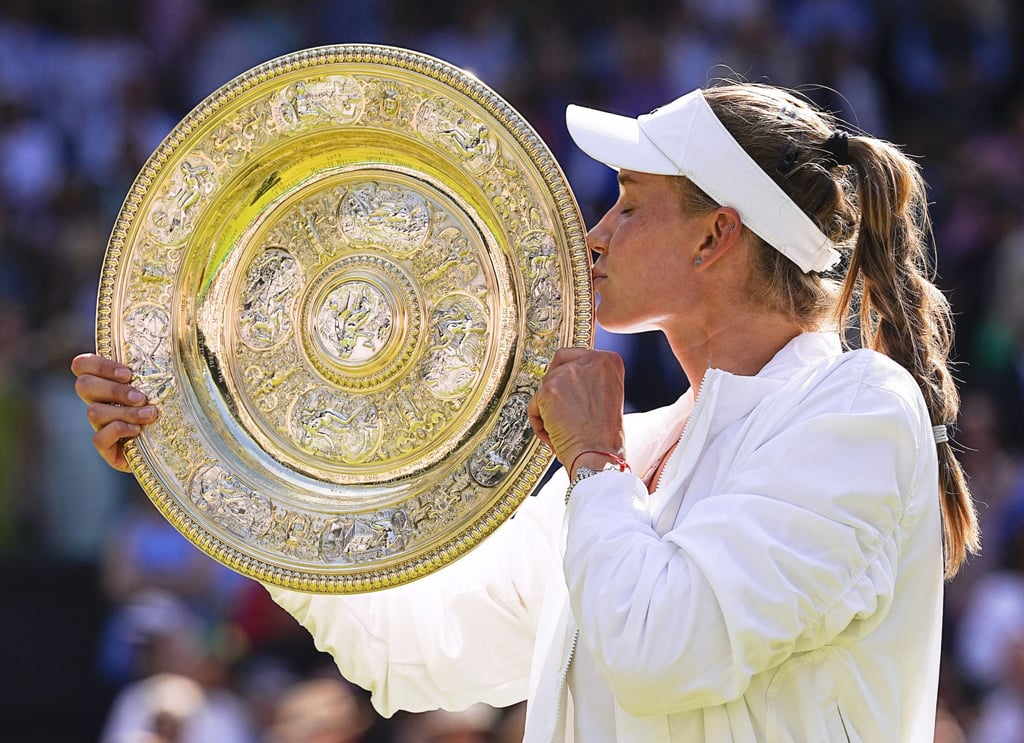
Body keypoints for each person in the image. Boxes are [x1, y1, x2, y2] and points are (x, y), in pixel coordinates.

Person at [73, 80, 979, 741]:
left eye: (629, 206)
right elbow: (419, 649)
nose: (596, 235)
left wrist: (591, 460)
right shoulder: (648, 446)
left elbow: (665, 649)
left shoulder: (856, 408)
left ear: (716, 235)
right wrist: (210, 451)